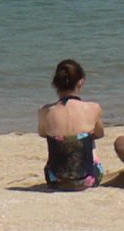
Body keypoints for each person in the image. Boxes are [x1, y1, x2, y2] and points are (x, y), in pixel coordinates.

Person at [38, 59, 105, 190]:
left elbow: (42, 133)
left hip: (55, 179)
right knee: (89, 138)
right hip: (87, 180)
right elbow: (100, 134)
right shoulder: (93, 108)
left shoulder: (44, 111)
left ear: (56, 83)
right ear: (81, 82)